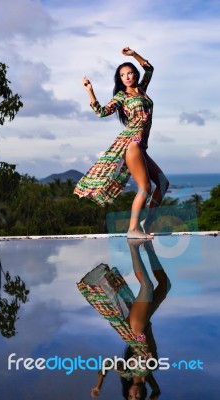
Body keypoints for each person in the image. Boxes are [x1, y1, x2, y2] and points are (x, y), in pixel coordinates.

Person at [74, 47, 169, 239]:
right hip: (132, 143)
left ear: (135, 74)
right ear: (120, 79)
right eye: (122, 75)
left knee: (163, 183)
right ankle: (132, 229)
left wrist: (134, 54)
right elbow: (101, 112)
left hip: (142, 147)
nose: (127, 77)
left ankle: (145, 223)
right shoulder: (121, 97)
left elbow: (149, 69)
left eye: (130, 72)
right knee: (145, 187)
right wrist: (90, 91)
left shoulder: (142, 90)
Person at [77, 239, 171, 399]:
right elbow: (157, 392)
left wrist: (98, 385)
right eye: (138, 398)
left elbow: (107, 363)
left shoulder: (126, 372)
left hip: (136, 329)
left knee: (146, 286)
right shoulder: (149, 375)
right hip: (144, 322)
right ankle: (148, 246)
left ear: (127, 393)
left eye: (131, 398)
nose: (135, 395)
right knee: (165, 285)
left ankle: (133, 246)